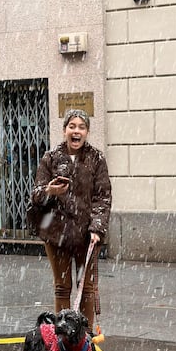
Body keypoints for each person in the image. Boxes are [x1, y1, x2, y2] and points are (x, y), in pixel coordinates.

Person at [30, 109, 112, 331]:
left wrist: (97, 228)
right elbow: (36, 194)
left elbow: (103, 197)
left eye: (81, 127)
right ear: (64, 130)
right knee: (62, 288)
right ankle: (63, 335)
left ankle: (85, 336)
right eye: (72, 126)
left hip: (87, 235)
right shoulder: (51, 158)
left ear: (87, 132)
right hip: (57, 234)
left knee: (87, 288)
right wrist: (49, 191)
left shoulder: (96, 159)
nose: (76, 131)